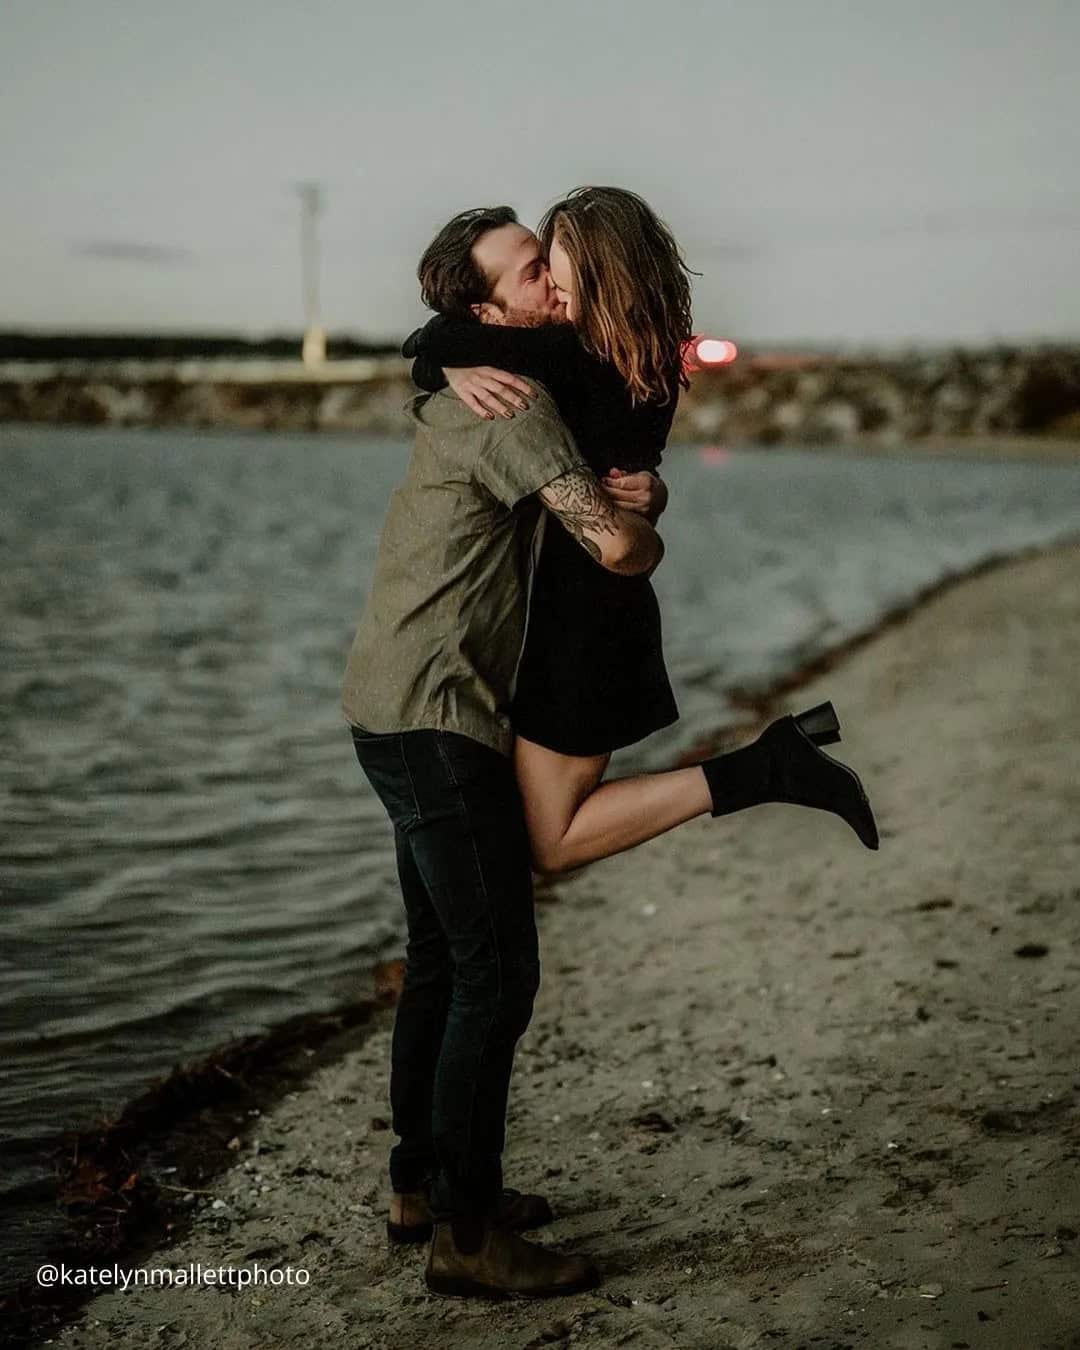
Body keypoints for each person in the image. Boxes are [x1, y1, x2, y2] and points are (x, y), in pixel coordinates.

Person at [342, 196, 879, 1302]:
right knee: (497, 972)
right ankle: (467, 1237)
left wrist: (445, 362)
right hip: (437, 709)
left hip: (396, 696)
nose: (548, 279)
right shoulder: (514, 398)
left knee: (445, 956)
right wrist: (643, 520)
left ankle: (425, 1189)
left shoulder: (517, 373)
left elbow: (531, 394)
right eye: (533, 265)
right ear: (492, 309)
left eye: (555, 261)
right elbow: (612, 545)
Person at [403, 188, 879, 879]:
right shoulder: (647, 356)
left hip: (581, 625)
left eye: (563, 287)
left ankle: (770, 766)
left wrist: (445, 360)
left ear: (602, 280)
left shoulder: (577, 359)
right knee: (542, 828)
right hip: (600, 612)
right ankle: (771, 763)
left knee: (550, 841)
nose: (556, 305)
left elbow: (437, 335)